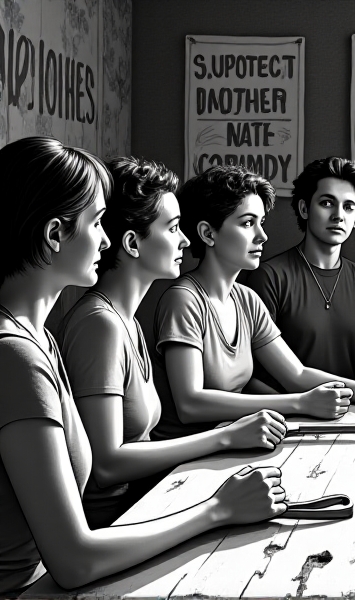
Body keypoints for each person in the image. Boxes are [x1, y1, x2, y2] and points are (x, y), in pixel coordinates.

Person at [0, 137, 286, 594]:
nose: (107, 238)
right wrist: (217, 508)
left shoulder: (42, 339)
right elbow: (74, 559)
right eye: (96, 223)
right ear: (54, 235)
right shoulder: (17, 355)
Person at [56, 157, 288, 529]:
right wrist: (225, 437)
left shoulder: (125, 320)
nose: (184, 240)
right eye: (173, 228)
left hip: (148, 501)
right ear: (132, 243)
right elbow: (107, 464)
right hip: (114, 522)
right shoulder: (100, 325)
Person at [151, 165, 355, 440]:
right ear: (208, 234)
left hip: (237, 442)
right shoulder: (183, 299)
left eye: (261, 222)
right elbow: (190, 405)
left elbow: (297, 374)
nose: (262, 236)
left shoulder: (246, 300)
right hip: (183, 462)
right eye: (248, 223)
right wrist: (298, 403)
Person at [245, 157, 355, 385]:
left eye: (348, 207)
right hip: (286, 414)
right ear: (304, 208)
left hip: (349, 412)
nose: (338, 215)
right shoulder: (269, 277)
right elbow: (249, 375)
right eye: (327, 203)